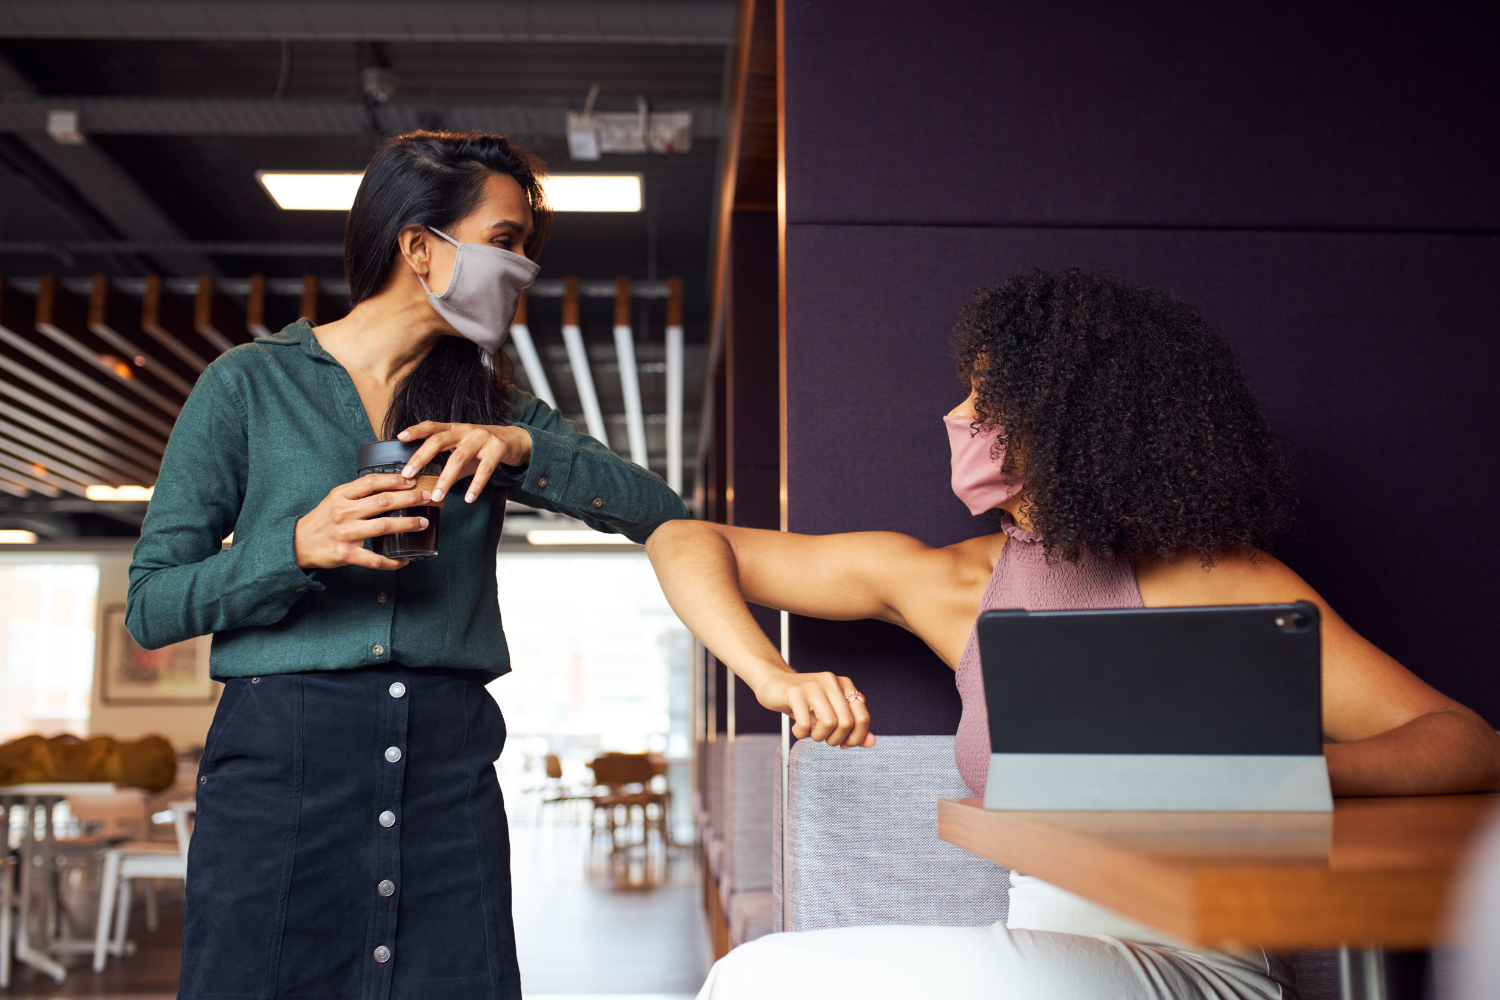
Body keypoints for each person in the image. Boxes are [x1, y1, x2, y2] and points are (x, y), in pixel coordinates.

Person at [645, 269, 1500, 1000]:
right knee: (755, 977)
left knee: (760, 982)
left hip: (1201, 967)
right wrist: (772, 676)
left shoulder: (1218, 579)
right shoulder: (955, 585)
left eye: (985, 394)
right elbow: (685, 540)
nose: (958, 412)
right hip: (1059, 952)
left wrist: (1275, 777)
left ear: (1071, 416)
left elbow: (1469, 744)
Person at [127, 131, 687, 1000]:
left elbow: (663, 515)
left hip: (446, 764)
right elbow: (153, 605)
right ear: (420, 246)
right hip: (281, 769)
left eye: (527, 249)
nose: (523, 268)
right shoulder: (247, 385)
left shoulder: (493, 405)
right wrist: (293, 549)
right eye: (504, 242)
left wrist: (519, 449)